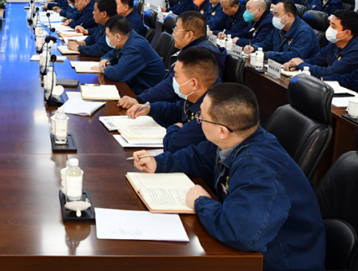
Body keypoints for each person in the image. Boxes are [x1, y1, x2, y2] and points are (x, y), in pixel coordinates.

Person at [132, 83, 326, 271]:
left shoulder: (258, 168)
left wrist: (201, 202)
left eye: (201, 117)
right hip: (256, 251)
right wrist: (158, 163)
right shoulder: (236, 138)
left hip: (277, 262)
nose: (198, 120)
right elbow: (198, 157)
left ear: (222, 131)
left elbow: (240, 233)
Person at [120, 11, 226, 109]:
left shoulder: (199, 55)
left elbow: (170, 86)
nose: (173, 34)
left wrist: (139, 100)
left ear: (189, 35)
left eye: (176, 30)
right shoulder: (195, 48)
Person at [130, 48, 220, 154]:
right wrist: (150, 108)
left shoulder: (209, 112)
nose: (174, 81)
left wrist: (174, 128)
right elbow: (176, 109)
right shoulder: (194, 96)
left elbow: (175, 144)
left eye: (176, 77)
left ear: (193, 84)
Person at [283, 10, 358, 77]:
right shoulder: (336, 41)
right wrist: (294, 63)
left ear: (347, 33)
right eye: (329, 24)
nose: (329, 29)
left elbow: (331, 72)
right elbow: (316, 61)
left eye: (333, 26)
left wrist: (301, 65)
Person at [96, 16, 164, 95]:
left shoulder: (135, 48)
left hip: (147, 93)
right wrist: (105, 59)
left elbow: (116, 74)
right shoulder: (128, 39)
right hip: (134, 85)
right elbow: (113, 52)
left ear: (117, 37)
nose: (106, 38)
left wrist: (104, 67)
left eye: (108, 36)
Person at [243, 0, 320, 63]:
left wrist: (266, 55)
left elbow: (294, 56)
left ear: (288, 16)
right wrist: (254, 48)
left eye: (276, 15)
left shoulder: (304, 32)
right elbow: (266, 44)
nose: (274, 18)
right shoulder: (280, 27)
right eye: (273, 15)